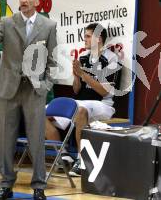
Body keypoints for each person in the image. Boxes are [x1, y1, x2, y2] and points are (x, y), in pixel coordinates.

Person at [0, 0, 57, 200]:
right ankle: (6, 184)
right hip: (8, 88)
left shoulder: (48, 25)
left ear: (37, 2)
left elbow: (52, 60)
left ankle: (39, 186)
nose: (23, 0)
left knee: (36, 140)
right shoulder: (7, 22)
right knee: (5, 139)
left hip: (34, 90)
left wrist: (45, 85)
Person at [45, 23, 119, 177]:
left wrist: (84, 75)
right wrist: (76, 76)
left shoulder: (111, 59)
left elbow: (104, 91)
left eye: (87, 36)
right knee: (42, 112)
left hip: (103, 105)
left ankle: (81, 160)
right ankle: (63, 156)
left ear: (98, 39)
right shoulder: (83, 57)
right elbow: (76, 90)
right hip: (80, 101)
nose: (84, 39)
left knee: (80, 110)